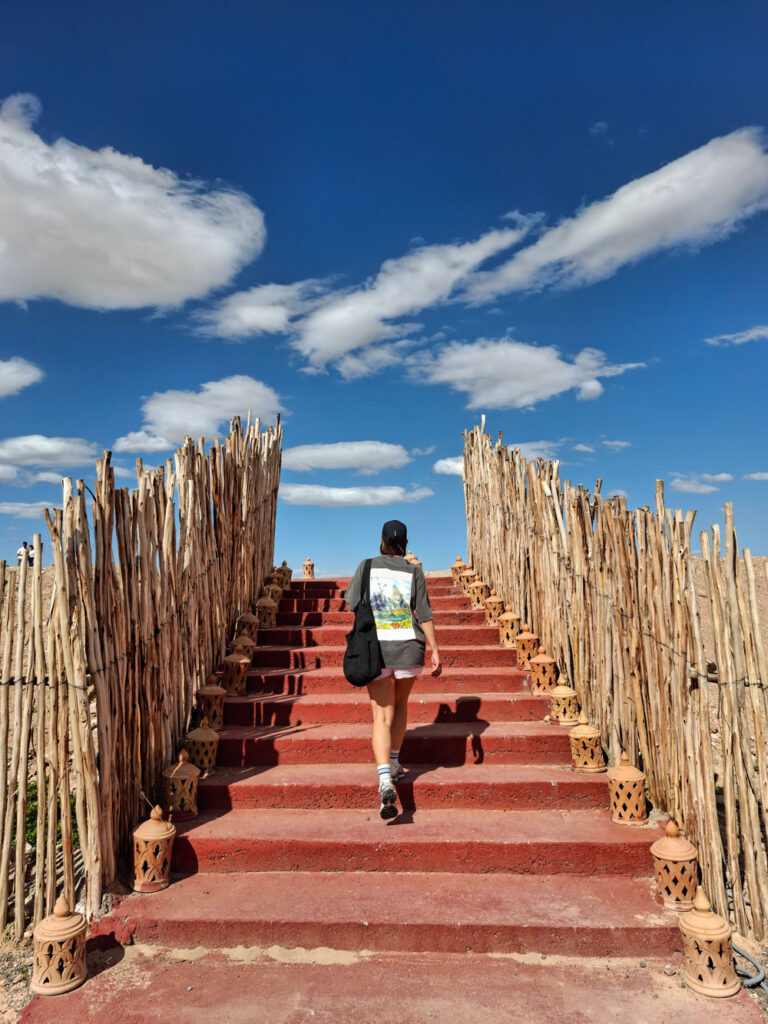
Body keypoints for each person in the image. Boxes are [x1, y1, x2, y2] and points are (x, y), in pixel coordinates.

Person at [344, 520, 441, 820]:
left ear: (382, 541)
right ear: (405, 544)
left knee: (380, 714)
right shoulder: (414, 571)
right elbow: (423, 613)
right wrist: (435, 649)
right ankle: (396, 763)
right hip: (410, 647)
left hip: (377, 650)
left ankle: (385, 778)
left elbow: (350, 604)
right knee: (400, 705)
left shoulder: (367, 565)